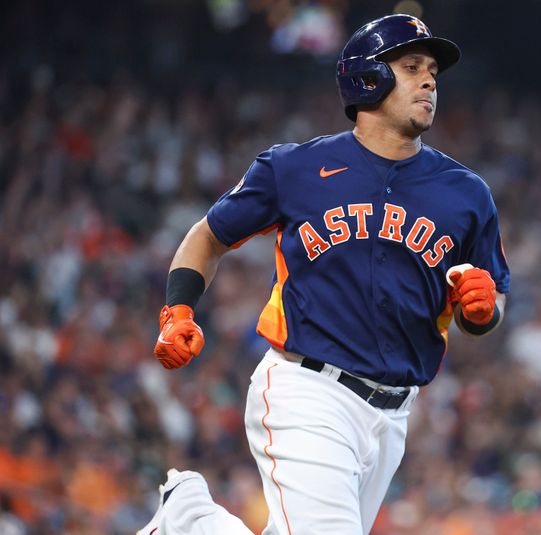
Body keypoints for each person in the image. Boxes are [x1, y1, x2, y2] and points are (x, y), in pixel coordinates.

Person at [139, 13, 510, 535]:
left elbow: (491, 305)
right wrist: (177, 308)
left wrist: (484, 308)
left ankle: (190, 521)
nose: (430, 80)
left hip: (393, 414)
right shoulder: (294, 169)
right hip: (307, 390)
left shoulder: (466, 194)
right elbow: (208, 236)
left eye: (433, 71)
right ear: (367, 78)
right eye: (411, 66)